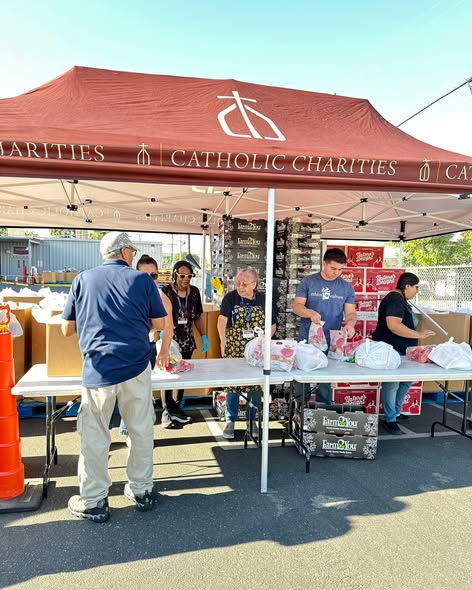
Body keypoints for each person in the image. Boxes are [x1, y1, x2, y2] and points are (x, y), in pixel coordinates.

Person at [61, 231, 167, 522]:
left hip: (98, 368)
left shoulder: (82, 279)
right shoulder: (142, 281)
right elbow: (159, 323)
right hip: (136, 366)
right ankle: (142, 490)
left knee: (95, 435)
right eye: (132, 251)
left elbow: (66, 329)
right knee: (140, 430)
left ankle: (94, 500)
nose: (133, 255)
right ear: (123, 252)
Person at [371, 272, 435, 434]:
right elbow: (394, 325)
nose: (417, 291)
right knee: (392, 383)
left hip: (404, 350)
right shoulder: (395, 299)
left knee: (406, 381)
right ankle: (390, 419)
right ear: (407, 286)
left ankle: (396, 411)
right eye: (416, 287)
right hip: (393, 350)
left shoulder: (402, 300)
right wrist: (419, 335)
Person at [217, 268, 276, 440]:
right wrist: (223, 341)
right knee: (232, 386)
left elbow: (272, 325)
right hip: (234, 348)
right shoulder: (230, 298)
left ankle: (252, 420)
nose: (240, 287)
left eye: (244, 284)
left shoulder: (263, 299)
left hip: (256, 350)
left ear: (255, 284)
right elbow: (222, 320)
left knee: (255, 386)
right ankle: (230, 420)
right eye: (238, 283)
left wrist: (264, 341)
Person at [292, 247, 357, 404]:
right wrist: (309, 313)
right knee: (302, 379)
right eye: (333, 268)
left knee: (325, 382)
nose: (337, 273)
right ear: (324, 264)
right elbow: (297, 306)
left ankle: (323, 412)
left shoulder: (346, 287)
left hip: (332, 341)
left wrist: (350, 325)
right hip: (307, 340)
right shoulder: (308, 282)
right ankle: (299, 410)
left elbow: (350, 313)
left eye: (340, 269)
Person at [118, 253, 173, 435]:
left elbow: (168, 326)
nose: (149, 279)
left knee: (142, 393)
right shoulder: (126, 292)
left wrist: (164, 350)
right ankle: (127, 428)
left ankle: (137, 434)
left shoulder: (162, 297)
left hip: (146, 349)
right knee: (126, 392)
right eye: (144, 275)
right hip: (124, 348)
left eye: (153, 275)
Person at [161, 260, 207, 427]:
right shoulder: (165, 291)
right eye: (182, 276)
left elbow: (198, 316)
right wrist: (161, 332)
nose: (186, 279)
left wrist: (203, 336)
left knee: (182, 377)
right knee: (168, 377)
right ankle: (166, 412)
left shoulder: (194, 292)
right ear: (175, 275)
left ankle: (176, 409)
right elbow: (158, 315)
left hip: (187, 341)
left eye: (189, 276)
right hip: (170, 341)